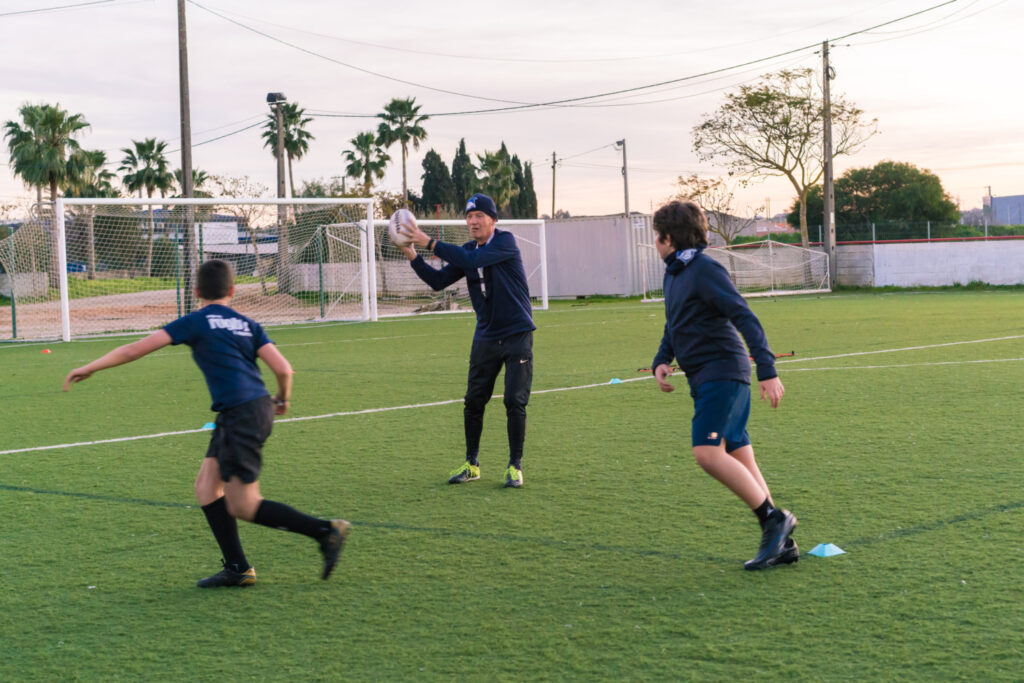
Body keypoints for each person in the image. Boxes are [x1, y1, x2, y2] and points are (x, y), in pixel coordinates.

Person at [63, 259, 349, 587]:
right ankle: (238, 568)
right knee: (206, 488)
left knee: (244, 504)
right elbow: (284, 369)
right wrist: (282, 399)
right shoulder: (247, 324)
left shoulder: (195, 322)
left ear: (197, 291)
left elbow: (134, 349)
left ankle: (325, 531)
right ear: (232, 290)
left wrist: (92, 367)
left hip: (241, 414)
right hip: (246, 411)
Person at [649, 201, 797, 570]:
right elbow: (675, 323)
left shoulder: (704, 269)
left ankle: (772, 520)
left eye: (657, 235)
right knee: (739, 455)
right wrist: (662, 359)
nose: (655, 242)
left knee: (707, 452)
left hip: (724, 372)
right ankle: (784, 544)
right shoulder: (675, 272)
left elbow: (744, 315)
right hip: (703, 376)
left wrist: (767, 368)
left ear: (669, 238)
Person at [396, 193, 535, 488]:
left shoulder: (505, 242)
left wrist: (428, 241)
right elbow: (437, 282)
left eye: (479, 216)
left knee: (514, 401)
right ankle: (472, 464)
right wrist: (410, 252)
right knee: (473, 402)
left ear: (493, 220)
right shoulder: (467, 250)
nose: (473, 221)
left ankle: (515, 466)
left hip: (516, 334)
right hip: (486, 336)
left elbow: (473, 259)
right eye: (469, 217)